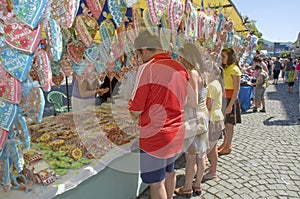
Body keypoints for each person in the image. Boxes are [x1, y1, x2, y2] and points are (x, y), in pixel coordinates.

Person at [128, 30, 189, 199]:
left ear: (145, 49)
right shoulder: (180, 67)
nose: (139, 57)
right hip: (176, 130)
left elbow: (135, 111)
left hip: (155, 136)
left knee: (156, 183)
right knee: (170, 172)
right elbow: (183, 100)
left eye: (139, 53)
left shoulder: (147, 68)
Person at [174, 43, 210, 197]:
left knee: (191, 156)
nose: (179, 59)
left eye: (181, 56)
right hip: (202, 116)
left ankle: (187, 187)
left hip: (194, 117)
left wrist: (178, 100)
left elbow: (193, 101)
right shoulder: (201, 72)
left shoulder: (192, 73)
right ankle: (197, 185)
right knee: (201, 154)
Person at [218, 48, 242, 155]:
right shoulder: (226, 68)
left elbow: (236, 89)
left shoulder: (234, 69)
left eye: (224, 56)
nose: (222, 58)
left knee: (229, 124)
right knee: (225, 123)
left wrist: (230, 105)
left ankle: (228, 146)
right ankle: (225, 143)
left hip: (230, 99)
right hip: (224, 98)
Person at [203, 64, 225, 180]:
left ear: (214, 73)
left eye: (208, 70)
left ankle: (211, 172)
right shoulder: (217, 84)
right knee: (213, 148)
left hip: (213, 120)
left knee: (205, 151)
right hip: (217, 119)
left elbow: (208, 105)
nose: (206, 72)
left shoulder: (211, 85)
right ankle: (213, 170)